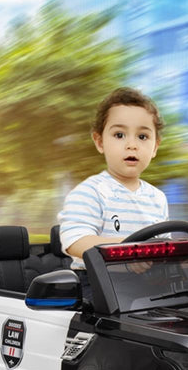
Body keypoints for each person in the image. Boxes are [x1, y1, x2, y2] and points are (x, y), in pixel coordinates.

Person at [58, 87, 168, 275]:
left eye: (143, 137)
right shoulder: (90, 192)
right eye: (119, 135)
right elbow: (75, 241)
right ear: (100, 142)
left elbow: (164, 246)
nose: (132, 145)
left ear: (155, 147)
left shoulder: (157, 198)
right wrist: (129, 250)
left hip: (147, 285)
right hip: (97, 284)